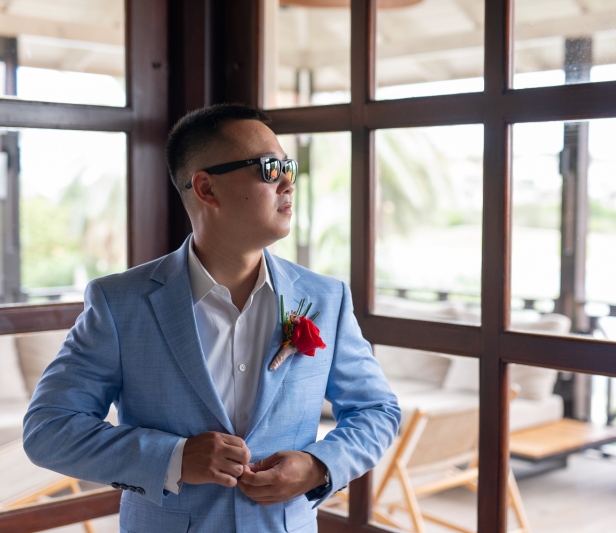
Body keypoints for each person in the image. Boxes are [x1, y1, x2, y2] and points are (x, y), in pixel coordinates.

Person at [23, 103, 401, 532]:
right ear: (206, 188)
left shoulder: (324, 299)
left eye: (288, 166)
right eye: (269, 167)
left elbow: (377, 410)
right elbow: (48, 430)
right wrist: (175, 458)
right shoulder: (119, 303)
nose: (288, 181)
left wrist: (319, 465)